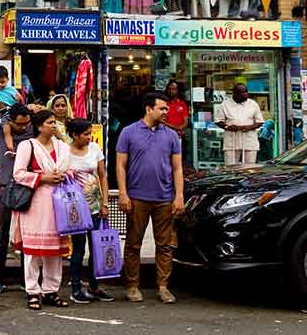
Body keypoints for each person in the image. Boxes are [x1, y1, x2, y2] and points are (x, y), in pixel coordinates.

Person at [116, 91, 184, 304]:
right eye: (162, 108)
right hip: (136, 197)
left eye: (166, 108)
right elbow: (120, 166)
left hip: (164, 197)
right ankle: (132, 286)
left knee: (164, 245)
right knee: (133, 244)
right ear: (148, 109)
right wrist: (123, 194)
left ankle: (163, 287)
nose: (166, 112)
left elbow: (177, 169)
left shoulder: (172, 135)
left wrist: (179, 195)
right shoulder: (128, 132)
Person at [11, 109, 71, 310]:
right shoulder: (27, 146)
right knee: (33, 251)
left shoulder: (63, 147)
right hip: (36, 202)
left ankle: (51, 290)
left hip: (58, 203)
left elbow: (70, 170)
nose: (54, 125)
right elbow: (18, 174)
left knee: (54, 252)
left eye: (55, 122)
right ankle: (33, 291)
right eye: (50, 122)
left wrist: (64, 176)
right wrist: (43, 178)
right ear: (39, 126)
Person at [0, 102, 33, 294]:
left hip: (28, 188)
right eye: (20, 124)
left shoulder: (33, 131)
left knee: (28, 238)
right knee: (1, 236)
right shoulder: (1, 130)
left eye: (27, 123)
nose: (25, 127)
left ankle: (28, 280)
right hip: (6, 188)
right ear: (11, 120)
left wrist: (35, 107)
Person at [65, 118, 112, 303]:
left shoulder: (95, 149)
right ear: (74, 135)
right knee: (78, 248)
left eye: (90, 133)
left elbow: (102, 176)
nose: (89, 137)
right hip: (75, 208)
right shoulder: (65, 152)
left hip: (95, 205)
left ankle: (94, 287)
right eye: (85, 134)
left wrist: (105, 203)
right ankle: (75, 287)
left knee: (96, 247)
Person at [214, 84, 265, 165]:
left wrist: (250, 127)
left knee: (250, 167)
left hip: (249, 140)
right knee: (230, 167)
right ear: (235, 94)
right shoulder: (225, 104)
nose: (246, 94)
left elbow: (260, 122)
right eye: (242, 93)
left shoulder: (253, 104)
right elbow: (218, 121)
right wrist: (227, 127)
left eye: (246, 92)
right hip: (232, 141)